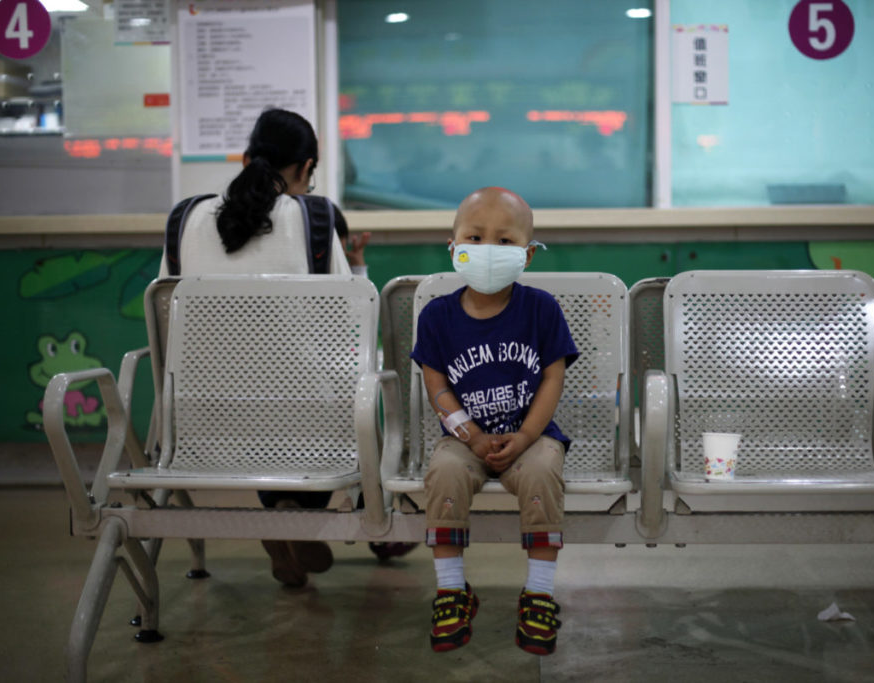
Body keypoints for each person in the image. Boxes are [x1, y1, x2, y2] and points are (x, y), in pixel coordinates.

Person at [158, 108, 372, 588]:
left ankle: (281, 514)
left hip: (201, 424)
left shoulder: (185, 218)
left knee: (252, 393)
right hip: (304, 423)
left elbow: (169, 321)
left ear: (246, 158)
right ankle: (296, 512)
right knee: (310, 391)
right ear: (305, 168)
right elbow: (349, 326)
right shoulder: (314, 218)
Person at [410, 187, 578, 655]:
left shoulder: (541, 308)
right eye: (475, 236)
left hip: (533, 436)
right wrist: (472, 435)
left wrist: (526, 436)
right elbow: (436, 385)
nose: (488, 249)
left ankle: (539, 593)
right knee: (443, 471)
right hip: (466, 440)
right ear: (454, 246)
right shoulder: (437, 316)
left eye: (504, 241)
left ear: (528, 254)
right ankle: (451, 590)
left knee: (545, 471)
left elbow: (552, 379)